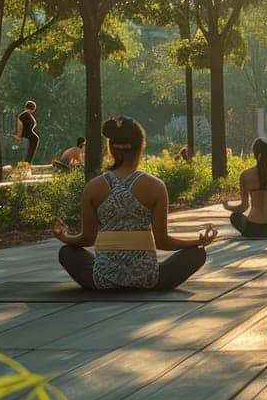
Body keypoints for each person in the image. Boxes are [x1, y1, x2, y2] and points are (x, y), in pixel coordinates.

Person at [52, 117, 213, 290]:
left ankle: (108, 278)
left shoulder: (93, 187)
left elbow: (87, 239)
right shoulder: (156, 186)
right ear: (140, 148)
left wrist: (64, 236)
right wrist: (196, 242)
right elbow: (163, 242)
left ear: (111, 149)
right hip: (148, 279)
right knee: (197, 254)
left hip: (102, 280)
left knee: (67, 252)